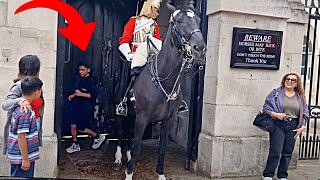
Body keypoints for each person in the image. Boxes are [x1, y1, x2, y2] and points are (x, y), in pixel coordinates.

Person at [262, 73, 310, 180]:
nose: (290, 81)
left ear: (297, 83)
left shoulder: (300, 97)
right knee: (275, 151)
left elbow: (306, 114)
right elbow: (265, 109)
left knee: (287, 152)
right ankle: (268, 174)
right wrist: (275, 114)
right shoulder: (276, 93)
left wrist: (303, 127)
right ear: (284, 80)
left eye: (293, 80)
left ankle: (282, 175)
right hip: (278, 124)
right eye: (288, 79)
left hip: (293, 125)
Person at [2, 55, 44, 157]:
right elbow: (5, 104)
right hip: (22, 129)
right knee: (22, 161)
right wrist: (20, 101)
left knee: (31, 159)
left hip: (33, 125)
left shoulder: (34, 83)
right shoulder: (20, 85)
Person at [65, 61, 106, 154]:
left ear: (88, 70)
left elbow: (93, 95)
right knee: (73, 125)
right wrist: (73, 95)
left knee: (81, 127)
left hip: (85, 107)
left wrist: (80, 94)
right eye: (80, 70)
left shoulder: (92, 81)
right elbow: (77, 91)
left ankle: (97, 136)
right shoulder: (79, 79)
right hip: (76, 105)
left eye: (83, 70)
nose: (81, 72)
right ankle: (75, 144)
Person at [7, 76, 43, 178]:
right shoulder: (25, 112)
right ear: (36, 92)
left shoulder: (22, 107)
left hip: (21, 156)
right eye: (40, 90)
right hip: (21, 158)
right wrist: (26, 159)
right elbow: (21, 136)